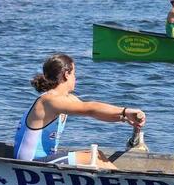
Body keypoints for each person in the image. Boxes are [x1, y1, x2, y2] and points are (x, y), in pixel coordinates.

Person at [14, 53, 146, 170]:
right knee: (94, 157)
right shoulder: (49, 100)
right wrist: (125, 111)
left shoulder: (66, 99)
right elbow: (91, 109)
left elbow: (96, 112)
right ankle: (127, 184)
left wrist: (124, 118)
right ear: (66, 74)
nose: (75, 78)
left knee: (97, 155)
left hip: (43, 161)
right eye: (74, 74)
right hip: (29, 164)